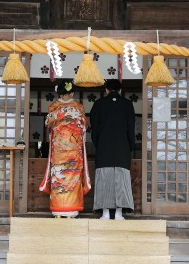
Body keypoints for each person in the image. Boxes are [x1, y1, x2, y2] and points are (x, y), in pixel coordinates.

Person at [39, 80, 90, 218]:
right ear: (72, 92)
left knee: (58, 178)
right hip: (74, 151)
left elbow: (48, 126)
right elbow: (84, 126)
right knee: (72, 178)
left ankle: (57, 211)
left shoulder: (54, 107)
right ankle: (71, 212)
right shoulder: (78, 108)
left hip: (58, 152)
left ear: (58, 93)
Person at [90, 79, 135, 220]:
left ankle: (104, 213)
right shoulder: (128, 104)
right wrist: (130, 147)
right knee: (121, 180)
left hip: (104, 148)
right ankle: (119, 213)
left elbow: (94, 129)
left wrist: (98, 143)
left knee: (104, 180)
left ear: (106, 90)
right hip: (122, 149)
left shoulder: (98, 104)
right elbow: (131, 129)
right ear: (120, 91)